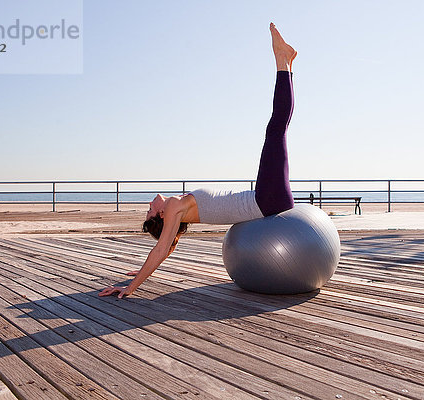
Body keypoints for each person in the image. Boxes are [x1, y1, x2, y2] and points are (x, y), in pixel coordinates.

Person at [99, 23, 297, 298]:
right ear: (160, 215)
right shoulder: (172, 207)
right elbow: (161, 248)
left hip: (266, 199)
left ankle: (285, 61)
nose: (149, 205)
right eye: (148, 211)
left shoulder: (177, 211)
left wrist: (138, 272)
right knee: (275, 129)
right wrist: (130, 288)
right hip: (266, 199)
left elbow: (166, 248)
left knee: (277, 129)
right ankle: (282, 61)